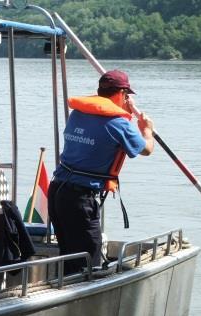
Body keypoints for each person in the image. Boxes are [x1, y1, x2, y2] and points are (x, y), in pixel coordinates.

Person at [48, 69, 155, 275]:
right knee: (88, 263)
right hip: (79, 199)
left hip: (57, 191)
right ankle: (81, 302)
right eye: (126, 95)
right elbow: (146, 149)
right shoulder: (119, 123)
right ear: (122, 93)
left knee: (69, 255)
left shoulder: (78, 113)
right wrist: (146, 129)